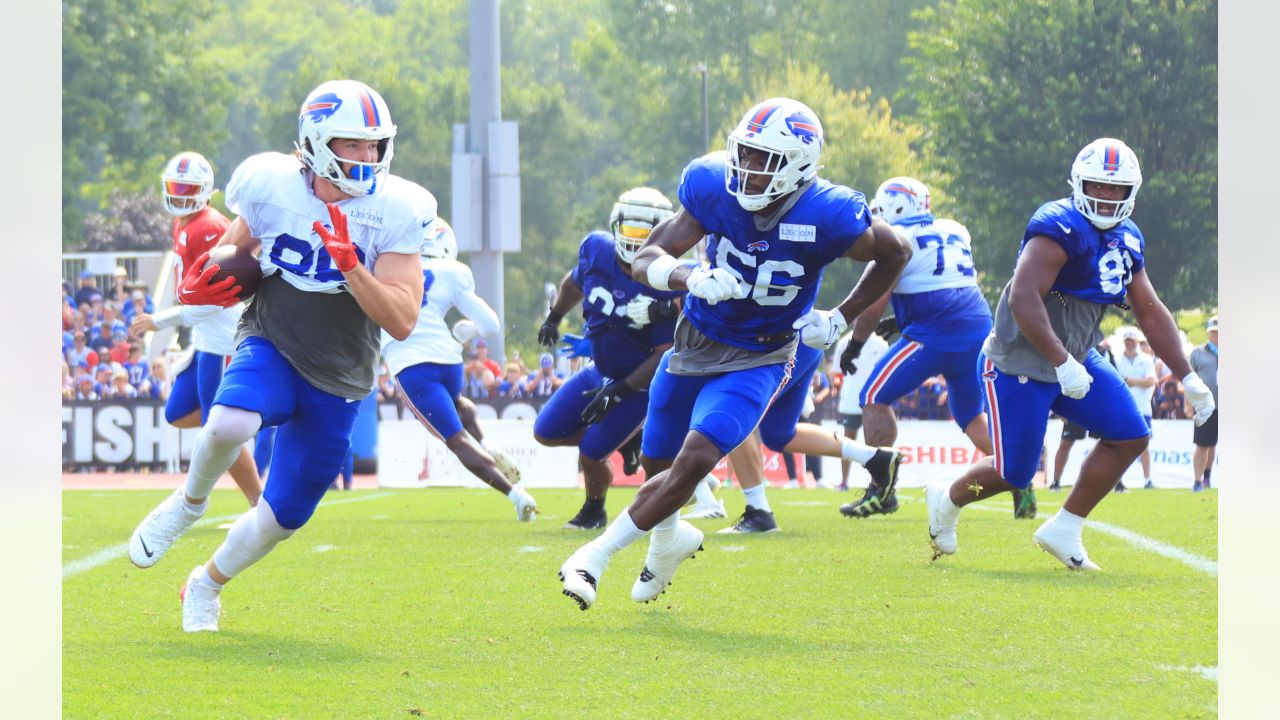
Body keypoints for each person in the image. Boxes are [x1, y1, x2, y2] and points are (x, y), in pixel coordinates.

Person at [558, 97, 910, 609]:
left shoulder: (828, 213)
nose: (745, 169)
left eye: (762, 160)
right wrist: (690, 275)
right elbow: (647, 258)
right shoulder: (711, 187)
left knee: (697, 456)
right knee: (658, 458)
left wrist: (840, 317)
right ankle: (668, 542)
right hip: (694, 340)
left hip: (762, 353)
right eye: (743, 154)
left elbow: (895, 251)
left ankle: (595, 557)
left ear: (799, 166)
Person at [127, 79, 436, 632]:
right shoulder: (269, 183)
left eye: (374, 145)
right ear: (317, 142)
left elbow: (401, 319)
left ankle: (205, 583)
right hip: (273, 335)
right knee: (226, 423)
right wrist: (207, 281)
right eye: (353, 144)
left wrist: (352, 268)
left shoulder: (397, 209)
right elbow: (241, 247)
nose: (368, 156)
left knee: (283, 517)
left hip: (341, 371)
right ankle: (190, 502)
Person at [925, 138, 1216, 571]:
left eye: (1117, 189)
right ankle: (946, 500)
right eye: (1098, 186)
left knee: (1131, 433)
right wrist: (1061, 362)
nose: (1107, 196)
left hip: (1077, 358)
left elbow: (1150, 312)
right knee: (1015, 473)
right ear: (1080, 184)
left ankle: (1065, 527)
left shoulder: (1128, 239)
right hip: (1019, 362)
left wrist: (1187, 376)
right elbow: (1024, 298)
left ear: (1131, 192)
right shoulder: (1057, 227)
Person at [836, 177, 1035, 518]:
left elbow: (872, 302)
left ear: (896, 208)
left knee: (872, 397)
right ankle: (1019, 478)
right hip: (977, 328)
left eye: (881, 209)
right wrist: (903, 319)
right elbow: (945, 284)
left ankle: (882, 490)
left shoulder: (897, 240)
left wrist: (855, 344)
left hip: (936, 335)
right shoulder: (955, 229)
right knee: (971, 415)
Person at [533, 187, 683, 530]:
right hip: (598, 369)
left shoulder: (665, 279)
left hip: (638, 386)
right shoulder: (597, 250)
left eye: (643, 233)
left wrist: (619, 392)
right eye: (629, 230)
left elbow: (663, 355)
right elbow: (574, 284)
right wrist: (554, 317)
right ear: (616, 226)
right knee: (545, 432)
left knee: (590, 452)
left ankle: (594, 508)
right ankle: (628, 439)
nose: (634, 241)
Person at [128, 151, 263, 511]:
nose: (181, 195)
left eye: (188, 188)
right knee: (177, 412)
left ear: (205, 191)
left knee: (216, 430)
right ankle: (251, 422)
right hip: (204, 340)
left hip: (221, 337)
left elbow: (216, 297)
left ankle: (259, 505)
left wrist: (161, 320)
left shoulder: (210, 226)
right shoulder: (185, 223)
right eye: (176, 187)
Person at [381, 216, 535, 519]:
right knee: (457, 403)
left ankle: (515, 496)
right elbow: (491, 325)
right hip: (450, 362)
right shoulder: (452, 272)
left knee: (457, 441)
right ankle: (488, 442)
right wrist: (468, 332)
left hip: (413, 366)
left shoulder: (386, 268)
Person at [833, 330, 889, 490]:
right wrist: (837, 384)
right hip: (850, 401)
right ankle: (844, 482)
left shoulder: (881, 343)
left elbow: (885, 371)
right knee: (847, 443)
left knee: (874, 444)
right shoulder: (845, 341)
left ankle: (876, 483)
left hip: (873, 402)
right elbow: (836, 371)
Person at [1114, 328, 1157, 488]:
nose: (1130, 343)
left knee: (1144, 445)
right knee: (1121, 445)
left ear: (1137, 342)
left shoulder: (1146, 359)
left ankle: (1147, 479)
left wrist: (1129, 380)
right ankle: (1118, 480)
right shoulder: (1117, 360)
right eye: (1127, 341)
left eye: (1132, 340)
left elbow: (1151, 381)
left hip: (1142, 407)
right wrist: (1138, 381)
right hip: (1122, 408)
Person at [1188, 315, 1218, 491]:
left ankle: (1207, 477)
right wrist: (1187, 403)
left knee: (1213, 444)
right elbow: (1189, 379)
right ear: (1208, 333)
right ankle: (1197, 481)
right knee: (1202, 445)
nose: (1216, 335)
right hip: (1206, 406)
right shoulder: (1198, 353)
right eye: (1213, 332)